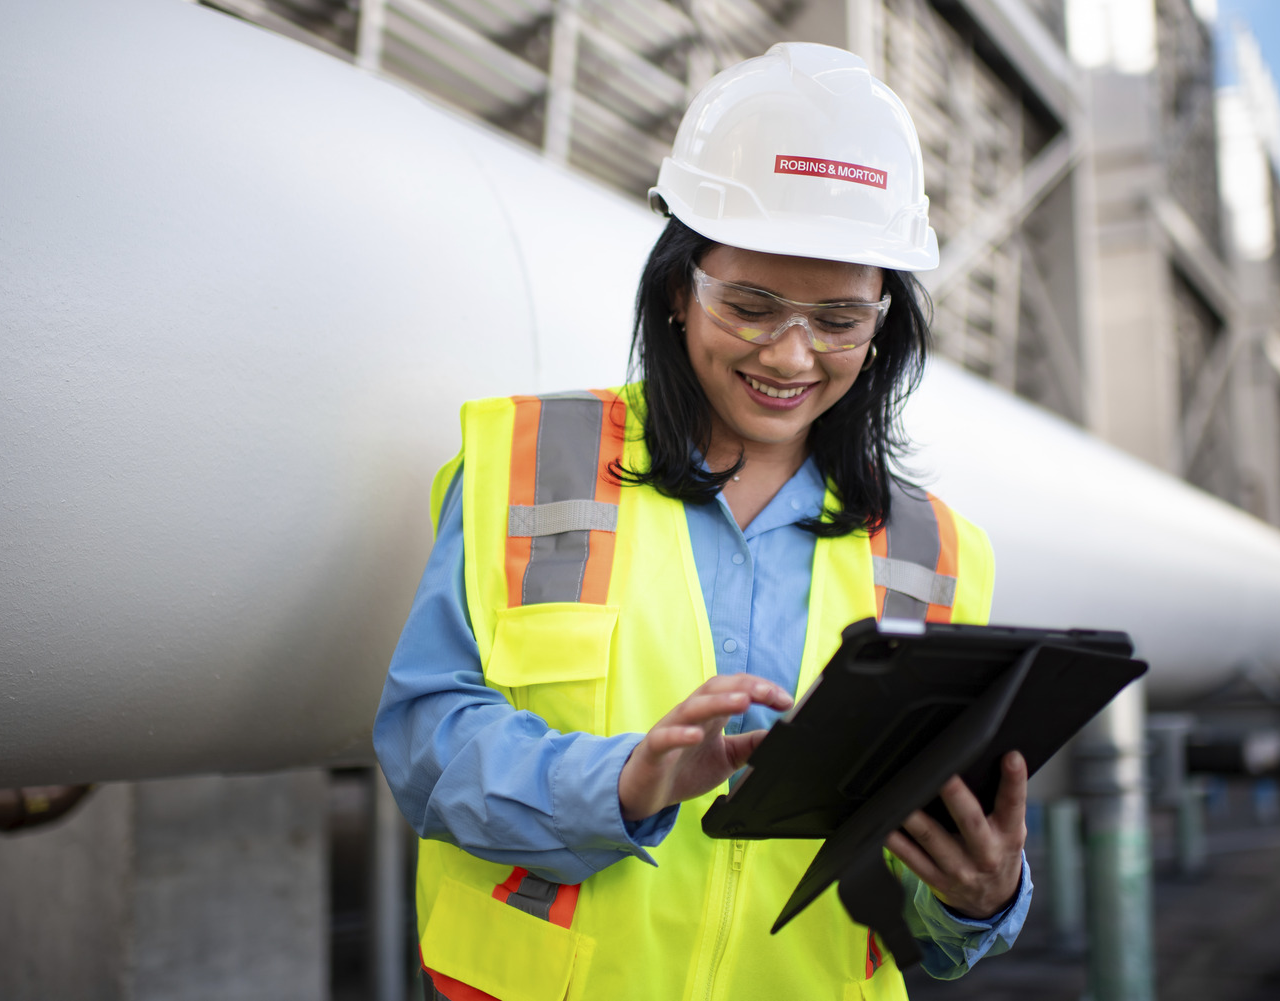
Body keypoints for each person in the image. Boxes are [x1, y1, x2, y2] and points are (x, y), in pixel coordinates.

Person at [374, 41, 1031, 1001]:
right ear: (680, 287)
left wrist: (982, 896)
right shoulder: (533, 460)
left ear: (883, 321)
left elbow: (920, 894)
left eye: (841, 319)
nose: (793, 353)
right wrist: (625, 783)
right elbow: (426, 741)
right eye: (753, 305)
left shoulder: (932, 552)